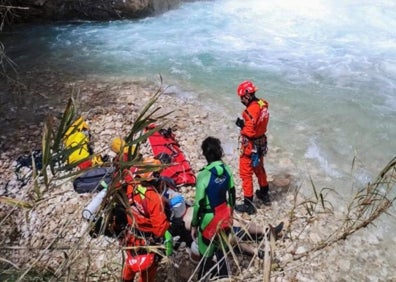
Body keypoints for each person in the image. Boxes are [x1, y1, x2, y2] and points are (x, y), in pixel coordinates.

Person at [90, 157, 172, 282]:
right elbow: (160, 229)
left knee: (130, 261)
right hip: (147, 240)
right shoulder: (154, 199)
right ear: (154, 176)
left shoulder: (131, 186)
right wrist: (168, 221)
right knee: (147, 271)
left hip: (130, 236)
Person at [190, 137, 236, 280]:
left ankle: (202, 277)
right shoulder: (227, 170)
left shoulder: (203, 175)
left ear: (205, 154)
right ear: (219, 152)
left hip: (208, 219)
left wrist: (194, 224)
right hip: (224, 215)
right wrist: (231, 214)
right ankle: (224, 276)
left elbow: (198, 204)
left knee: (206, 254)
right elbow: (232, 194)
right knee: (222, 250)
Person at [235, 80, 271, 215]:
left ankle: (248, 204)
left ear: (247, 96)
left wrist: (241, 126)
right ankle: (264, 193)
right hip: (261, 142)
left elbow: (249, 132)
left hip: (250, 146)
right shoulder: (263, 103)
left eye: (241, 98)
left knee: (246, 173)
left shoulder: (250, 111)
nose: (241, 100)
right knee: (259, 168)